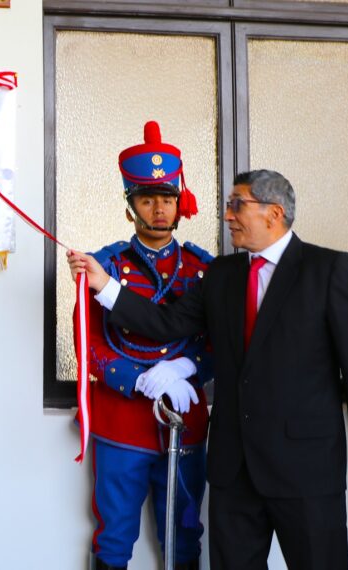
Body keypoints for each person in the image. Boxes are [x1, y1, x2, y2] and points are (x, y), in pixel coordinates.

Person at [68, 169, 348, 569]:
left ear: (274, 213)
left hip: (303, 467)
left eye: (237, 205)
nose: (228, 216)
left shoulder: (328, 269)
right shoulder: (222, 274)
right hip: (233, 468)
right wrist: (105, 285)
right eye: (229, 206)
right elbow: (165, 323)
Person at [77, 121, 213, 570]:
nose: (159, 209)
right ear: (129, 206)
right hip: (122, 423)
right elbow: (89, 342)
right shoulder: (106, 265)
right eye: (147, 199)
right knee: (113, 538)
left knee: (186, 535)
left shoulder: (202, 268)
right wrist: (138, 379)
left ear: (180, 204)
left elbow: (219, 343)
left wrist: (184, 369)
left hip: (186, 420)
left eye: (167, 199)